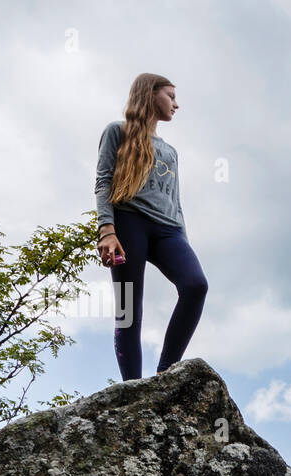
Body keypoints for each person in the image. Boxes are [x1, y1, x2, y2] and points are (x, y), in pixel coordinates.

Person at [94, 73, 207, 380]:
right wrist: (107, 230)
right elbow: (104, 182)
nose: (176, 104)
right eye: (170, 96)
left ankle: (165, 374)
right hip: (129, 222)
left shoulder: (171, 151)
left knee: (196, 285)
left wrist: (183, 239)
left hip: (168, 230)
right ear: (150, 93)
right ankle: (133, 389)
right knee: (130, 310)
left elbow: (176, 199)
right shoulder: (118, 131)